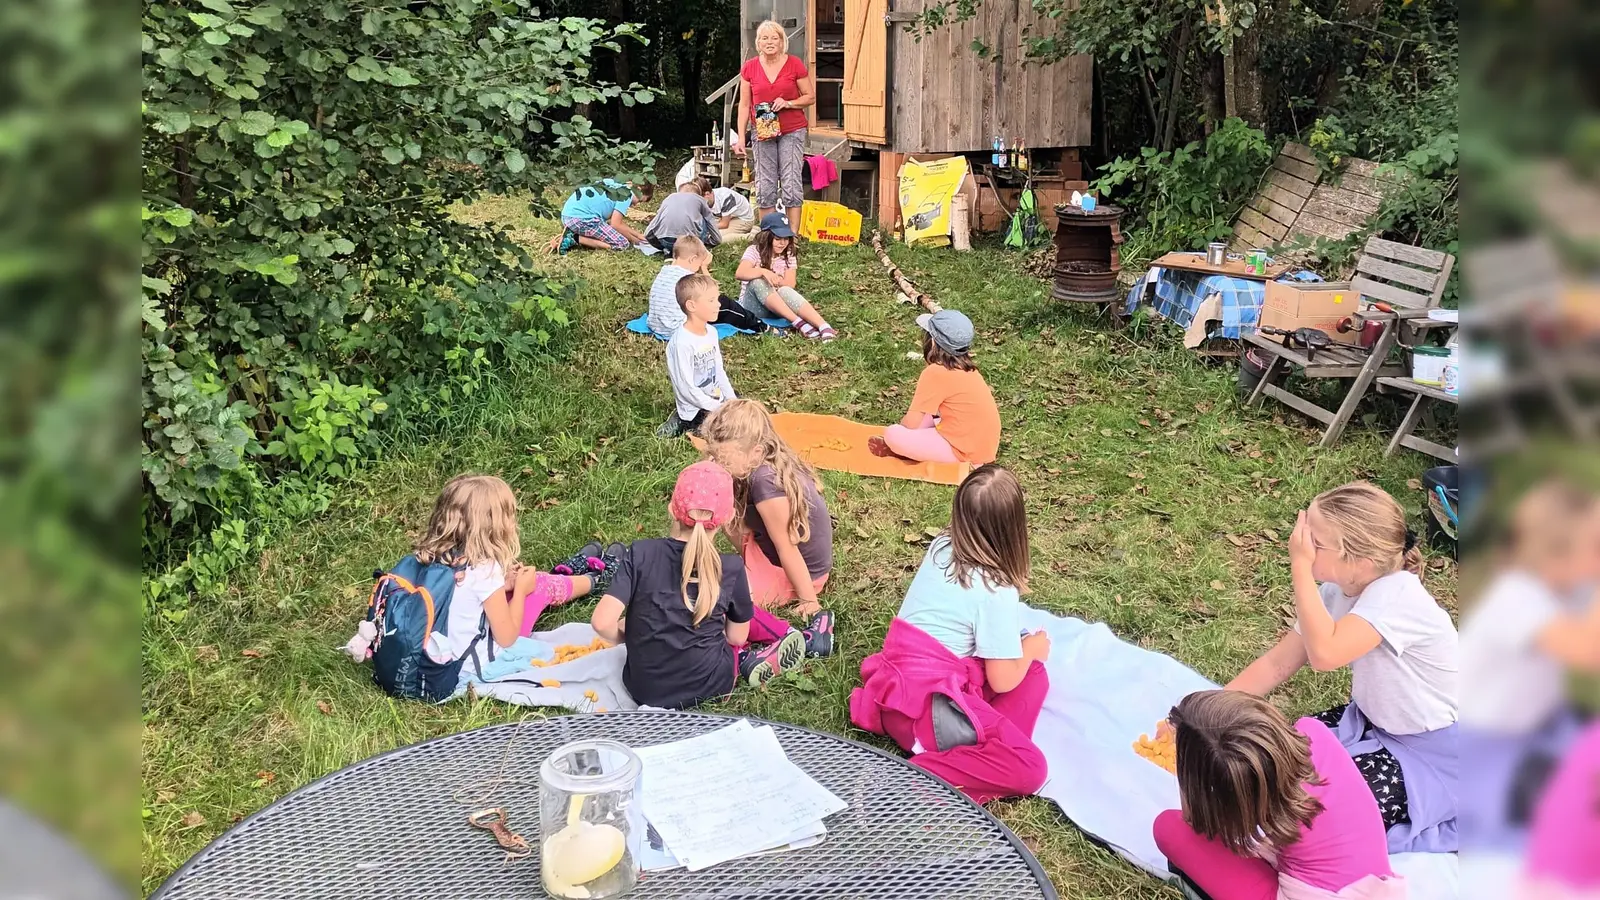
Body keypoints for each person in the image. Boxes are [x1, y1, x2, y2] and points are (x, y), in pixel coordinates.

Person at [1225, 481, 1459, 854]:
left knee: (1311, 823)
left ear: (1359, 561)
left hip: (1432, 756)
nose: (1300, 544)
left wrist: (1300, 568)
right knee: (1264, 769)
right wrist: (1205, 708)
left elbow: (1326, 655)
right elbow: (1278, 662)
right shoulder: (1337, 591)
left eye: (1313, 542)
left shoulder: (1398, 597)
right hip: (1367, 722)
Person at [849, 465, 1051, 803]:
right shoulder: (995, 588)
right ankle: (908, 778)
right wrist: (1030, 648)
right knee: (1031, 766)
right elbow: (1001, 681)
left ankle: (983, 747)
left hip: (894, 699)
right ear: (1016, 528)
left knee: (1034, 676)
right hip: (933, 721)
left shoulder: (941, 547)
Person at [345, 475, 622, 684]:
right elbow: (508, 637)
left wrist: (506, 585)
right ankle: (599, 578)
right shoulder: (485, 570)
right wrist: (521, 590)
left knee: (522, 584)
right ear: (496, 526)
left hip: (422, 652)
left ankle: (580, 573)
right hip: (462, 667)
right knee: (535, 585)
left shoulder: (430, 555)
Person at [590, 460, 816, 708]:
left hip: (642, 689)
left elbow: (601, 622)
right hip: (709, 686)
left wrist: (627, 635)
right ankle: (782, 641)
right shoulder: (730, 567)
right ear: (728, 517)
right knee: (743, 618)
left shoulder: (639, 554)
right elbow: (736, 636)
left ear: (671, 508)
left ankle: (752, 656)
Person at [1153, 690, 1404, 900]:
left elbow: (1195, 820)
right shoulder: (1312, 732)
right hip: (1375, 882)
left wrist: (1190, 775)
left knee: (1167, 828)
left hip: (1314, 894)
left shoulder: (1241, 801)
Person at [700, 399, 836, 650]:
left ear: (756, 452)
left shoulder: (765, 481)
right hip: (768, 552)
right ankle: (751, 569)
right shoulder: (759, 465)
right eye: (714, 456)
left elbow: (787, 547)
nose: (718, 465)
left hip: (799, 573)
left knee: (725, 602)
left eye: (724, 460)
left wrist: (809, 600)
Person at [868, 309, 1001, 465]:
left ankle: (904, 450)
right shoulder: (969, 370)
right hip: (985, 448)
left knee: (893, 434)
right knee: (931, 417)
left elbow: (911, 423)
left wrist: (902, 432)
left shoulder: (935, 372)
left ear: (932, 342)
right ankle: (916, 448)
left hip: (964, 453)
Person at [732, 20, 813, 227]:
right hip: (762, 130)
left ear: (782, 41)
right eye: (765, 38)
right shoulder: (749, 68)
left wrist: (788, 103)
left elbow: (810, 97)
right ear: (758, 43)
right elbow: (744, 105)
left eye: (774, 38)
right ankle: (768, 233)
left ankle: (792, 235)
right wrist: (742, 136)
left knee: (791, 180)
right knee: (765, 182)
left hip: (792, 129)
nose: (769, 42)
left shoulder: (794, 64)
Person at [735, 212, 836, 340]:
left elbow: (790, 283)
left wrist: (776, 281)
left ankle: (823, 326)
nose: (782, 243)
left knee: (785, 289)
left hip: (778, 307)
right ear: (766, 237)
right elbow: (740, 273)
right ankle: (800, 323)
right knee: (758, 281)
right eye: (777, 239)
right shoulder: (754, 251)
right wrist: (764, 272)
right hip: (754, 308)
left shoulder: (789, 254)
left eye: (786, 239)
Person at [645, 236, 767, 338]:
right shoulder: (687, 278)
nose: (698, 268)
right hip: (677, 330)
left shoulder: (664, 271)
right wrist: (704, 267)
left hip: (656, 325)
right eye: (699, 263)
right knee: (723, 304)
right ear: (693, 259)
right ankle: (759, 325)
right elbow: (714, 292)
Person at [660, 273, 736, 438]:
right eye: (711, 301)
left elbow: (719, 371)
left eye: (717, 299)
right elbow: (686, 388)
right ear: (692, 306)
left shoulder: (712, 332)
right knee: (726, 435)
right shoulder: (682, 343)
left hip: (714, 397)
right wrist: (717, 408)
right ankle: (682, 421)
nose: (718, 305)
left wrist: (732, 401)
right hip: (695, 408)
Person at [557, 178, 646, 252]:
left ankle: (574, 232)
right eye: (640, 201)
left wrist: (638, 235)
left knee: (608, 230)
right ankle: (574, 238)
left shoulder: (614, 183)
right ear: (639, 189)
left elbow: (617, 223)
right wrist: (635, 241)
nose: (635, 205)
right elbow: (615, 224)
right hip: (582, 220)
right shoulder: (627, 195)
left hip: (567, 217)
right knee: (622, 244)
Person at [644, 178, 721, 254]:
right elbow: (711, 223)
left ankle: (670, 251)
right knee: (704, 218)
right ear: (697, 194)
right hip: (688, 244)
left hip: (666, 241)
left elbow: (650, 230)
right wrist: (710, 242)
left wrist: (658, 244)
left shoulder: (669, 198)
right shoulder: (700, 200)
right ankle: (697, 249)